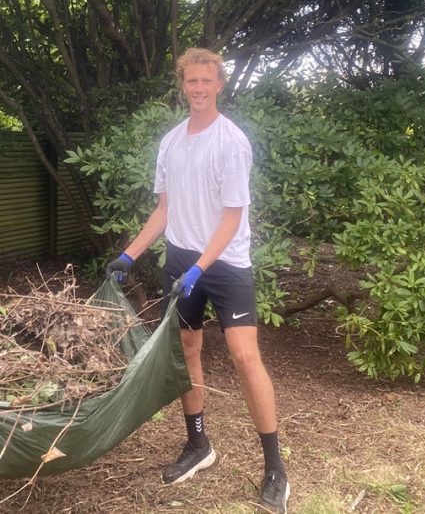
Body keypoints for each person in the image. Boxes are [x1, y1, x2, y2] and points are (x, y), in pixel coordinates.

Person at [106, 48, 290, 513]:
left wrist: (199, 268)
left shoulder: (231, 142)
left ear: (219, 84)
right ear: (182, 84)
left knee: (246, 357)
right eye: (192, 81)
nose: (199, 88)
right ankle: (198, 445)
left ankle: (275, 468)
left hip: (224, 263)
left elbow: (232, 219)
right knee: (187, 352)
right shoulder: (170, 143)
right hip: (182, 260)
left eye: (207, 81)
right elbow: (164, 210)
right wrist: (129, 253)